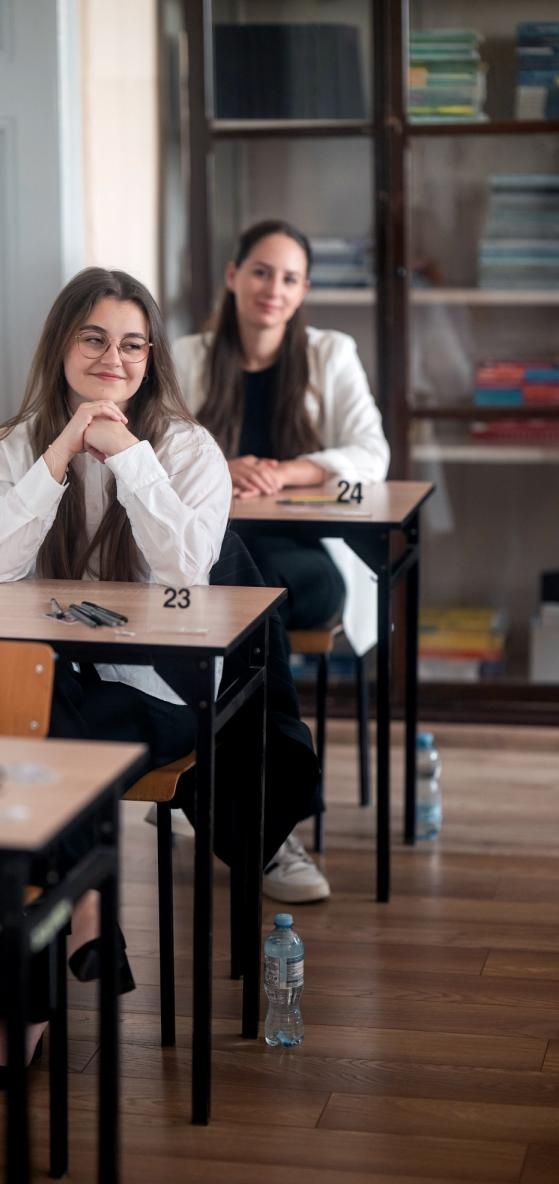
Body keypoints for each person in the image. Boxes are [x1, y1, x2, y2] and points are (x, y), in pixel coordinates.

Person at [0, 266, 233, 1092]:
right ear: (62, 343)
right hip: (51, 682)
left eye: (132, 344)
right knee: (36, 738)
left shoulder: (186, 449)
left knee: (36, 757)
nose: (113, 358)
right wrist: (58, 456)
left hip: (161, 687)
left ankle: (24, 1007)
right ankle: (80, 918)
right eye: (94, 338)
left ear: (150, 357)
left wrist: (127, 457)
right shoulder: (9, 446)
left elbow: (188, 565)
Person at [173, 219, 391, 903]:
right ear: (232, 276)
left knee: (249, 608)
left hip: (303, 557)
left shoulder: (330, 353)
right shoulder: (183, 356)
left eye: (289, 277)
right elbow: (151, 450)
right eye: (261, 271)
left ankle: (212, 788)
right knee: (233, 605)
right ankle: (264, 823)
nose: (273, 288)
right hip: (211, 551)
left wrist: (289, 471)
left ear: (303, 292)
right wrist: (217, 465)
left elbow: (372, 454)